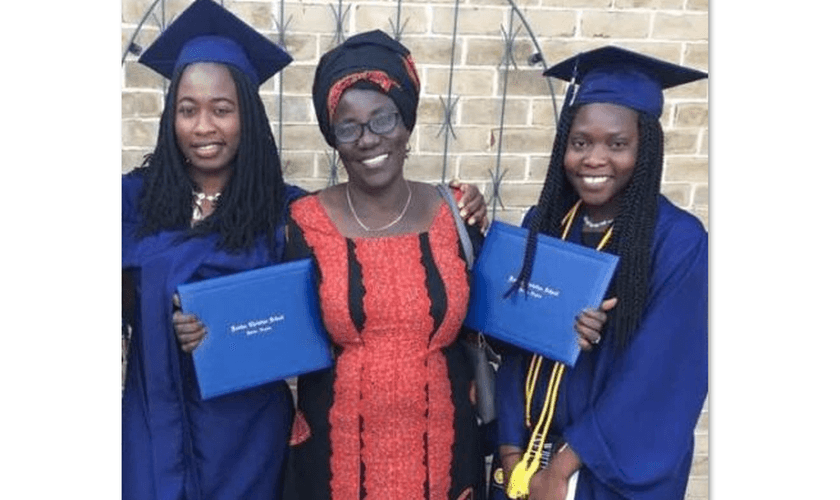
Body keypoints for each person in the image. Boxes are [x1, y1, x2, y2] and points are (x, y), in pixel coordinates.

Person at [122, 2, 488, 499]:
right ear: (172, 118)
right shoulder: (132, 201)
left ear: (246, 117)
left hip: (248, 435)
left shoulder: (284, 210)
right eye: (188, 110)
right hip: (155, 420)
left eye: (222, 109)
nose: (204, 126)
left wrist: (462, 205)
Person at [491, 46, 708, 500]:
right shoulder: (545, 225)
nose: (593, 159)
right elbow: (515, 349)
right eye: (580, 142)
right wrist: (512, 452)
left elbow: (659, 378)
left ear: (644, 148)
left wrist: (560, 471)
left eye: (617, 143)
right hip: (529, 459)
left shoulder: (678, 242)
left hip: (605, 473)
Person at [282, 30, 487, 500]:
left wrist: (570, 319)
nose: (368, 139)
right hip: (335, 462)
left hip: (445, 455)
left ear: (407, 121)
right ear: (333, 138)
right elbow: (270, 325)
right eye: (348, 126)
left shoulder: (456, 214)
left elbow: (495, 320)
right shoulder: (302, 223)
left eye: (383, 118)